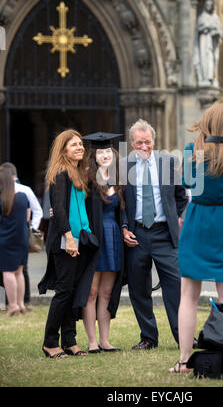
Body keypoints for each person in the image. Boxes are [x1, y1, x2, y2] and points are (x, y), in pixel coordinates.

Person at [170, 101, 223, 373]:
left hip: (198, 220)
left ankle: (183, 360)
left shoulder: (193, 150)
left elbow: (188, 184)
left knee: (188, 295)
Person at [121, 119, 188, 350]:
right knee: (139, 288)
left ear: (154, 141)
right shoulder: (123, 166)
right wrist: (124, 227)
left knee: (176, 286)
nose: (144, 147)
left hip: (164, 235)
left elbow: (181, 195)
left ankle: (184, 336)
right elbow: (117, 203)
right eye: (139, 142)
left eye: (147, 142)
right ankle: (148, 337)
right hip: (136, 235)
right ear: (131, 143)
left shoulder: (168, 162)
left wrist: (174, 217)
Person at [38, 129, 98, 358]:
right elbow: (60, 210)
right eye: (74, 145)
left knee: (71, 291)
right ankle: (50, 342)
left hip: (79, 239)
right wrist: (69, 239)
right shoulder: (61, 172)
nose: (80, 147)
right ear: (63, 150)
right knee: (63, 291)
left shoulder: (75, 172)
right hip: (65, 241)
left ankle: (70, 341)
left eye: (81, 144)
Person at [81, 132, 125, 353]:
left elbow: (123, 211)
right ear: (94, 156)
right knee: (91, 292)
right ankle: (91, 341)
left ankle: (105, 340)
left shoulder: (119, 179)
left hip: (113, 237)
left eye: (108, 151)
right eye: (101, 152)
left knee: (107, 293)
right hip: (94, 238)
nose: (105, 154)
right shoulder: (87, 179)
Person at [1, 162, 43, 311]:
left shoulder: (19, 192)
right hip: (20, 236)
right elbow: (29, 214)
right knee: (18, 271)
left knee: (13, 271)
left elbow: (36, 212)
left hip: (10, 237)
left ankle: (17, 304)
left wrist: (31, 228)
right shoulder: (23, 194)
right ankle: (17, 303)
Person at [0, 167, 30, 316]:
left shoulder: (1, 200)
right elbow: (27, 218)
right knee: (19, 272)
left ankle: (12, 306)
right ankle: (20, 303)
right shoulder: (23, 197)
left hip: (5, 240)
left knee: (7, 271)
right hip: (22, 239)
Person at [193, 0, 223, 87]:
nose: (209, 7)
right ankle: (204, 77)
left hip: (212, 42)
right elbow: (199, 28)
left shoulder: (215, 17)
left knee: (212, 58)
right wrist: (205, 28)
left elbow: (220, 30)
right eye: (207, 5)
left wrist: (216, 33)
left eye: (210, 5)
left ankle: (210, 77)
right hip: (204, 41)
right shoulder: (202, 17)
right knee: (204, 57)